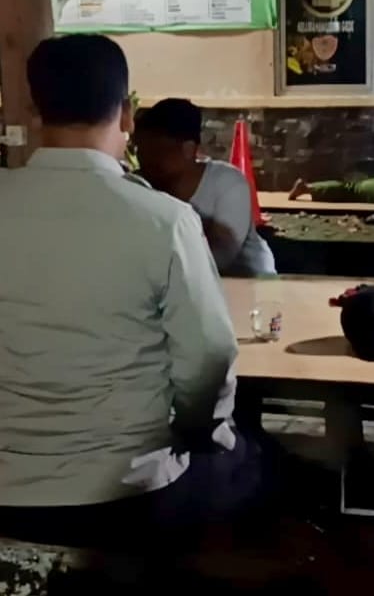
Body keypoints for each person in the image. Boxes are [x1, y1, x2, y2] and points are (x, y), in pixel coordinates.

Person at [0, 35, 257, 547]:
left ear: (34, 110)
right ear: (127, 114)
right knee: (259, 465)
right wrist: (199, 430)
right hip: (127, 494)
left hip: (7, 494)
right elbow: (209, 354)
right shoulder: (164, 221)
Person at [134, 98, 276, 278]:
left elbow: (220, 257)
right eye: (140, 149)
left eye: (157, 150)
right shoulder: (139, 185)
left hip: (249, 283)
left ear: (188, 149)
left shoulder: (228, 184)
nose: (145, 159)